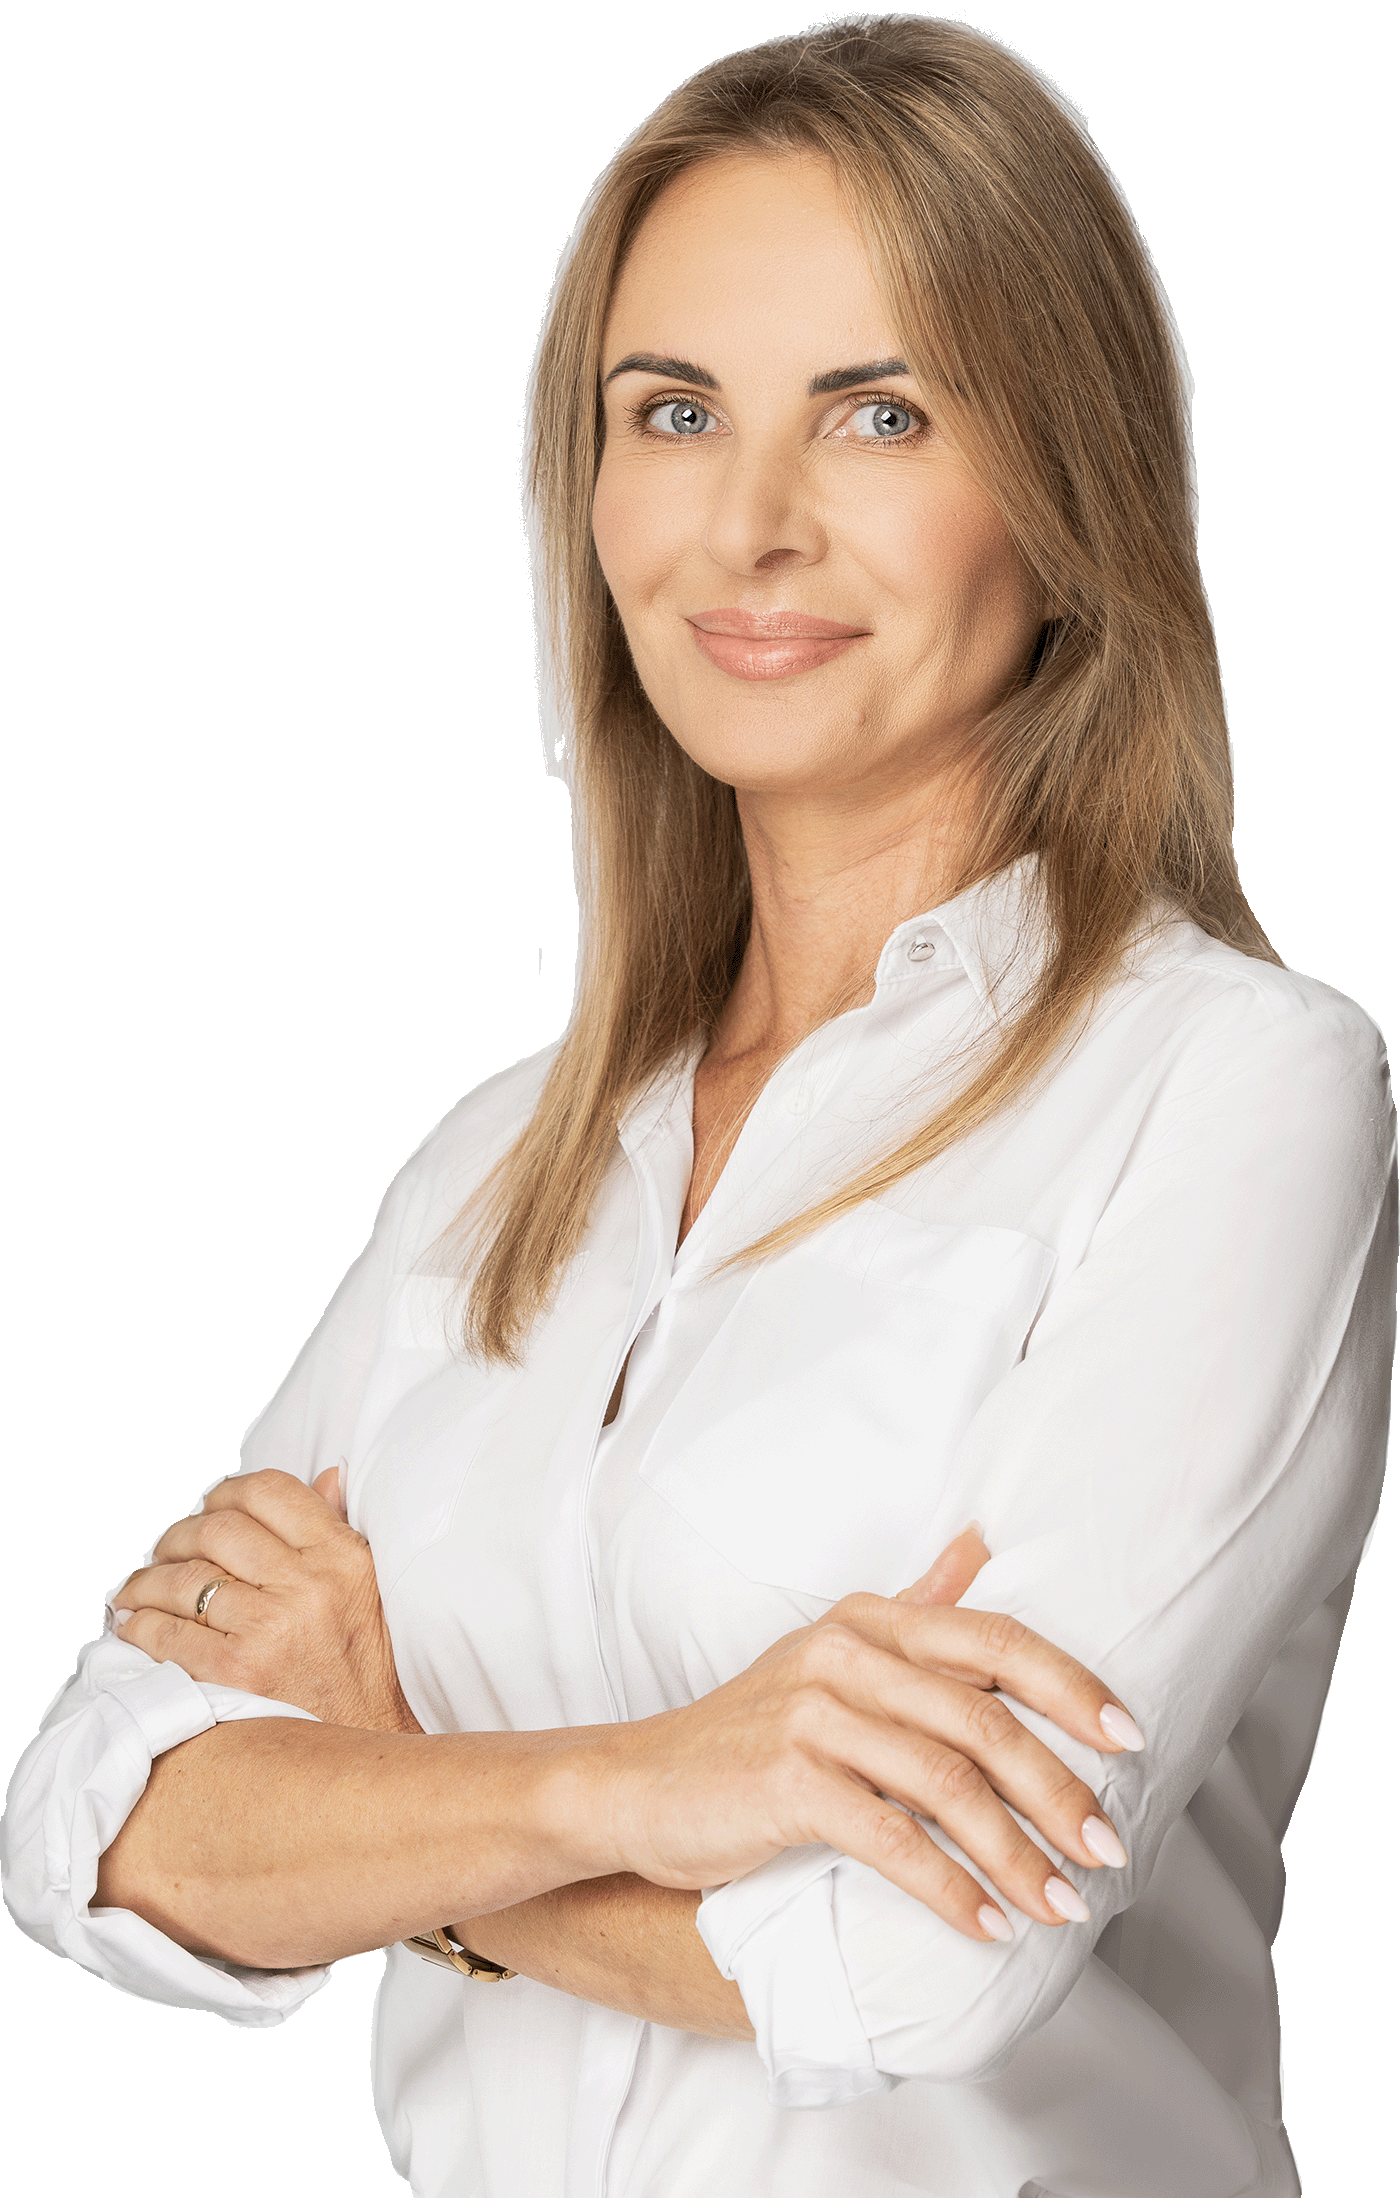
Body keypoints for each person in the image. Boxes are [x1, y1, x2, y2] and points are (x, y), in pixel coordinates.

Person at [3, 16, 1392, 2197]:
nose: (749, 524)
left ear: (1066, 490)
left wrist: (387, 1789)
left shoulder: (1234, 1096)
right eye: (671, 412)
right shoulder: (494, 1168)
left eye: (877, 412)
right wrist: (642, 1783)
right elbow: (95, 1826)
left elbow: (925, 1957)